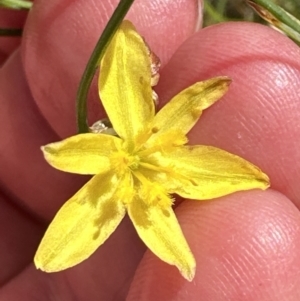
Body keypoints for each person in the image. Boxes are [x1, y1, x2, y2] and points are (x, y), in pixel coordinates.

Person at [1, 0, 300, 300]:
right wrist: (61, 153)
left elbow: (229, 165)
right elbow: (68, 160)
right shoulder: (121, 120)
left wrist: (179, 255)